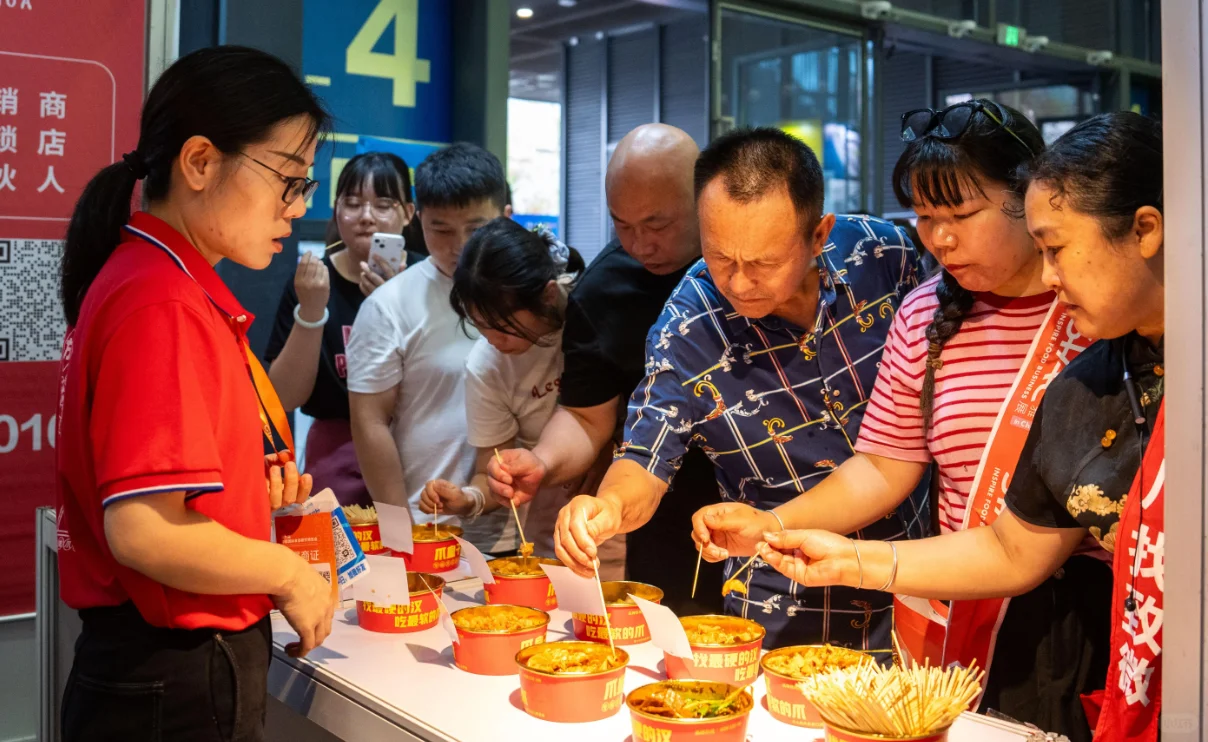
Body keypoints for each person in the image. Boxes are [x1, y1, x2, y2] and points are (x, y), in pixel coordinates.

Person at [689, 101, 1112, 739]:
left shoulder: (1095, 309)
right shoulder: (922, 314)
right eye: (924, 217)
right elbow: (885, 465)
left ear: (1032, 198)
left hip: (1072, 617)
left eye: (961, 216)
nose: (938, 239)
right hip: (954, 601)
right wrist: (773, 524)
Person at [552, 127, 929, 649]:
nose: (739, 282)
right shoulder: (689, 325)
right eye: (719, 257)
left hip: (922, 576)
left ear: (819, 234)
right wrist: (610, 506)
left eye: (764, 263)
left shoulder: (885, 256)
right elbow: (645, 454)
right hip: (783, 596)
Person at [54, 46, 334, 741]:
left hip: (156, 669)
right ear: (202, 162)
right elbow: (144, 529)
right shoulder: (161, 301)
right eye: (288, 180)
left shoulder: (153, 281)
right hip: (171, 675)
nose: (296, 209)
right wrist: (289, 575)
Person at [488, 123, 723, 610]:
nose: (640, 244)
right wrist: (542, 461)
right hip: (661, 515)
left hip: (781, 504)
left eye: (657, 225)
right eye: (623, 224)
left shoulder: (744, 259)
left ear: (703, 198)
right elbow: (586, 415)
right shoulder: (603, 290)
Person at [346, 143, 515, 552]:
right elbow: (370, 423)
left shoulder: (531, 294)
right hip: (430, 528)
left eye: (476, 229)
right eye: (441, 229)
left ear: (505, 217)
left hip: (530, 526)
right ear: (417, 219)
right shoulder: (389, 306)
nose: (459, 246)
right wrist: (399, 532)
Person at [418, 218, 591, 558]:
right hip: (547, 505)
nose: (495, 341)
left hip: (616, 490)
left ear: (548, 295)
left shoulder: (589, 313)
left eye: (504, 327)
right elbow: (492, 471)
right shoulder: (487, 365)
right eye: (481, 327)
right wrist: (469, 499)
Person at [265, 152, 416, 507]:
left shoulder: (424, 279)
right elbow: (284, 397)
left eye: (383, 204)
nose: (365, 217)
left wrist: (390, 306)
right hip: (335, 456)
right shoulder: (312, 280)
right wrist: (312, 310)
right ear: (336, 210)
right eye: (352, 203)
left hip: (414, 451)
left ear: (408, 213)